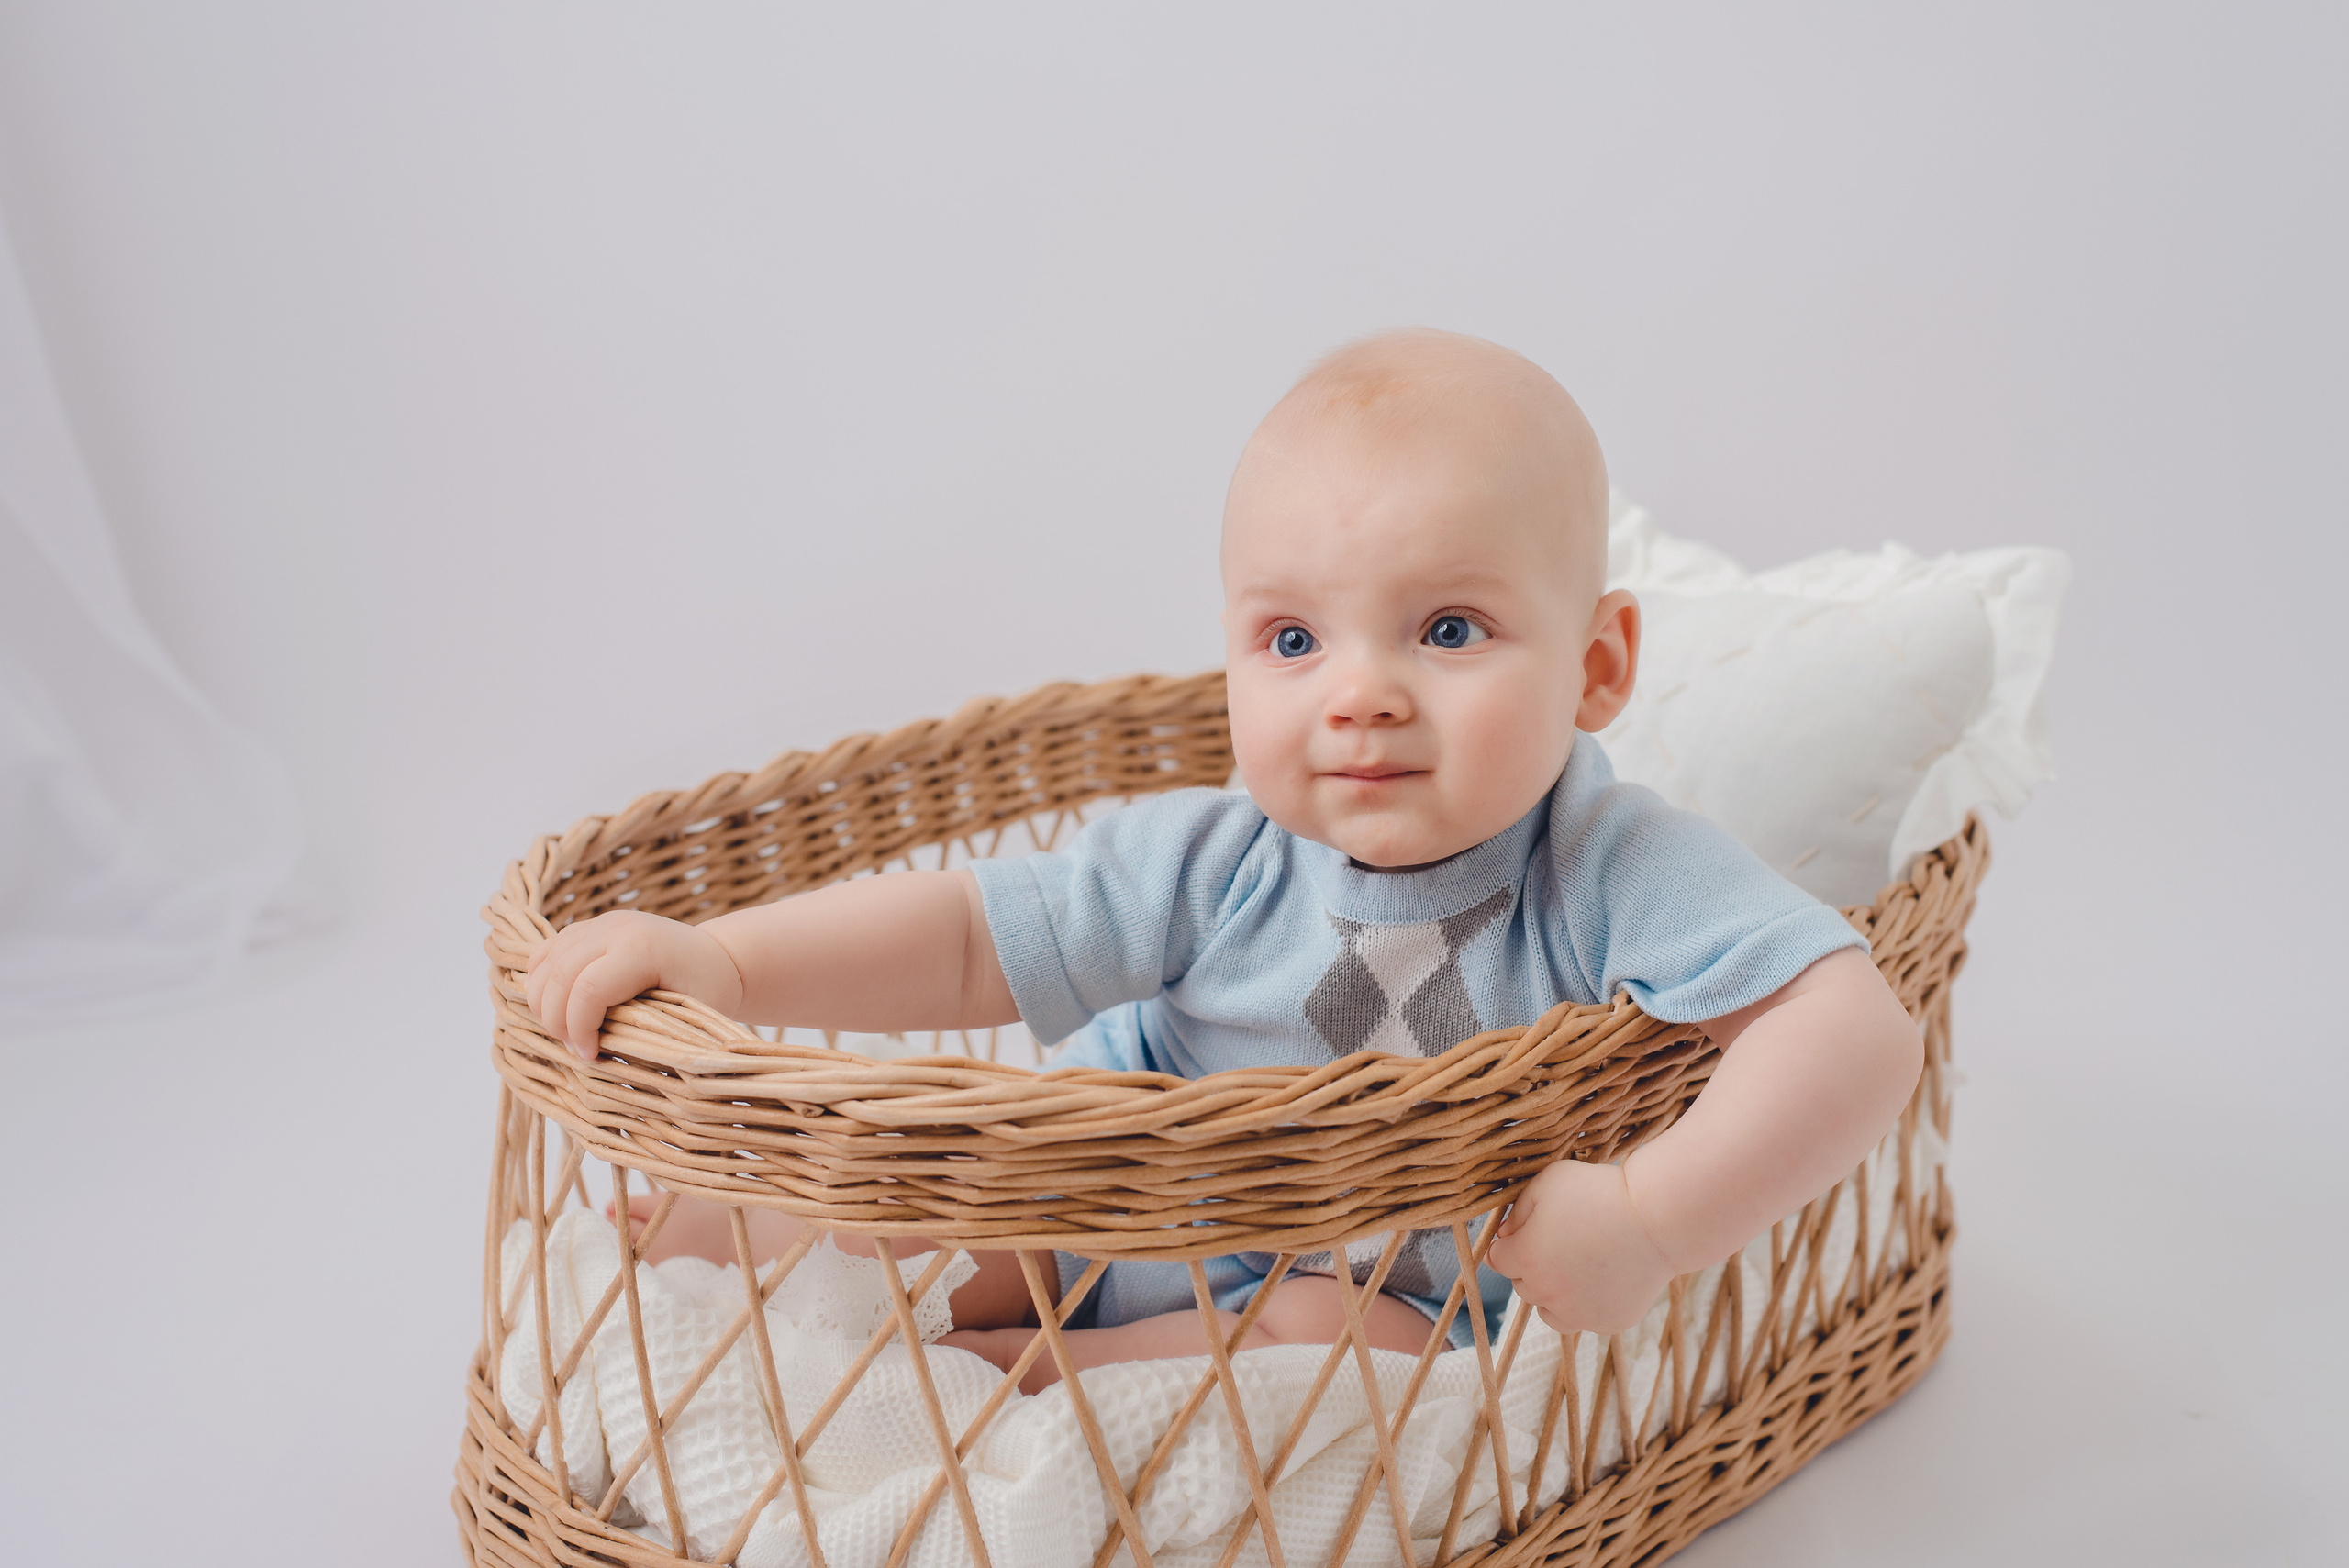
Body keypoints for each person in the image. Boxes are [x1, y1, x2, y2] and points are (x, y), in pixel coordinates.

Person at [523, 328, 1922, 1393]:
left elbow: (1854, 1027)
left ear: (1598, 665)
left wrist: (1647, 1221)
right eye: (1294, 639)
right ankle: (774, 1262)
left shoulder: (1609, 862)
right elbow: (963, 938)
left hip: (1377, 1299)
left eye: (1447, 629)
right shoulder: (1218, 856)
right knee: (933, 1222)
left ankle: (1034, 1389)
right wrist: (726, 960)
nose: (1358, 695)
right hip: (1109, 1212)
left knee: (1330, 1339)